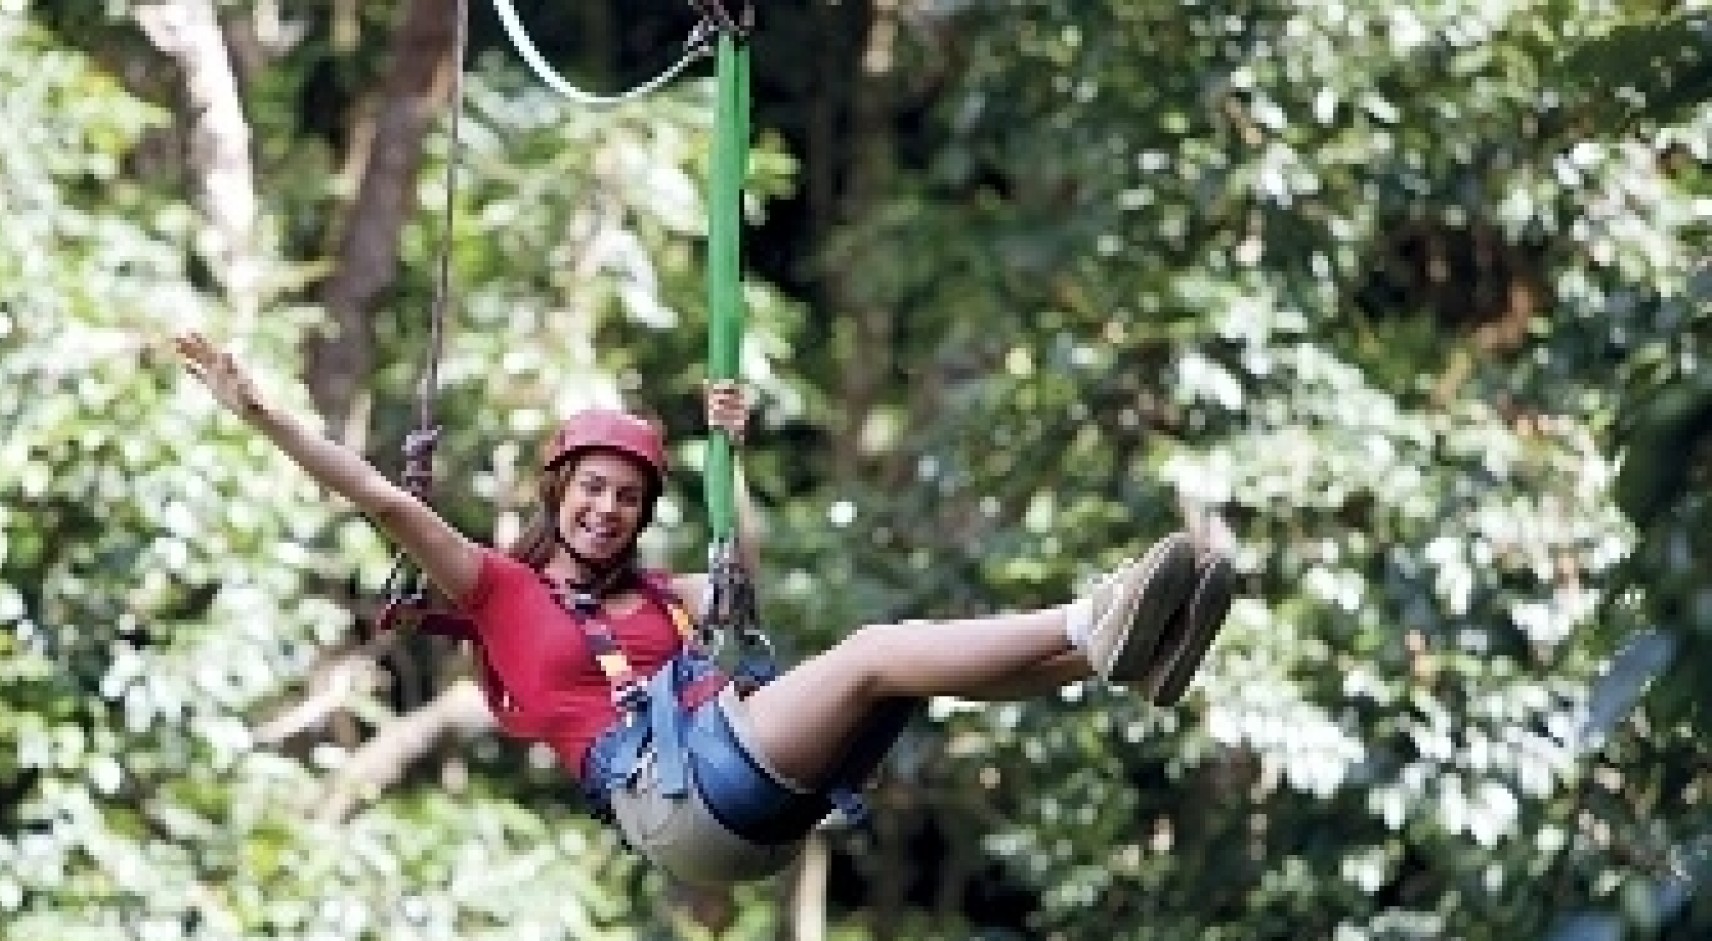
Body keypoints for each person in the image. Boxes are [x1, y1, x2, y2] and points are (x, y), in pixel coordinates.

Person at [171, 332, 1235, 886]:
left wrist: (730, 451)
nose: (606, 509)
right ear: (556, 494)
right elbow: (381, 497)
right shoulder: (496, 587)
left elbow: (738, 578)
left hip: (737, 791)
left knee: (904, 668)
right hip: (679, 797)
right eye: (590, 489)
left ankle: (1116, 659)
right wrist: (263, 413)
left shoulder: (656, 594)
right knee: (874, 652)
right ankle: (1084, 622)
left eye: (626, 498)